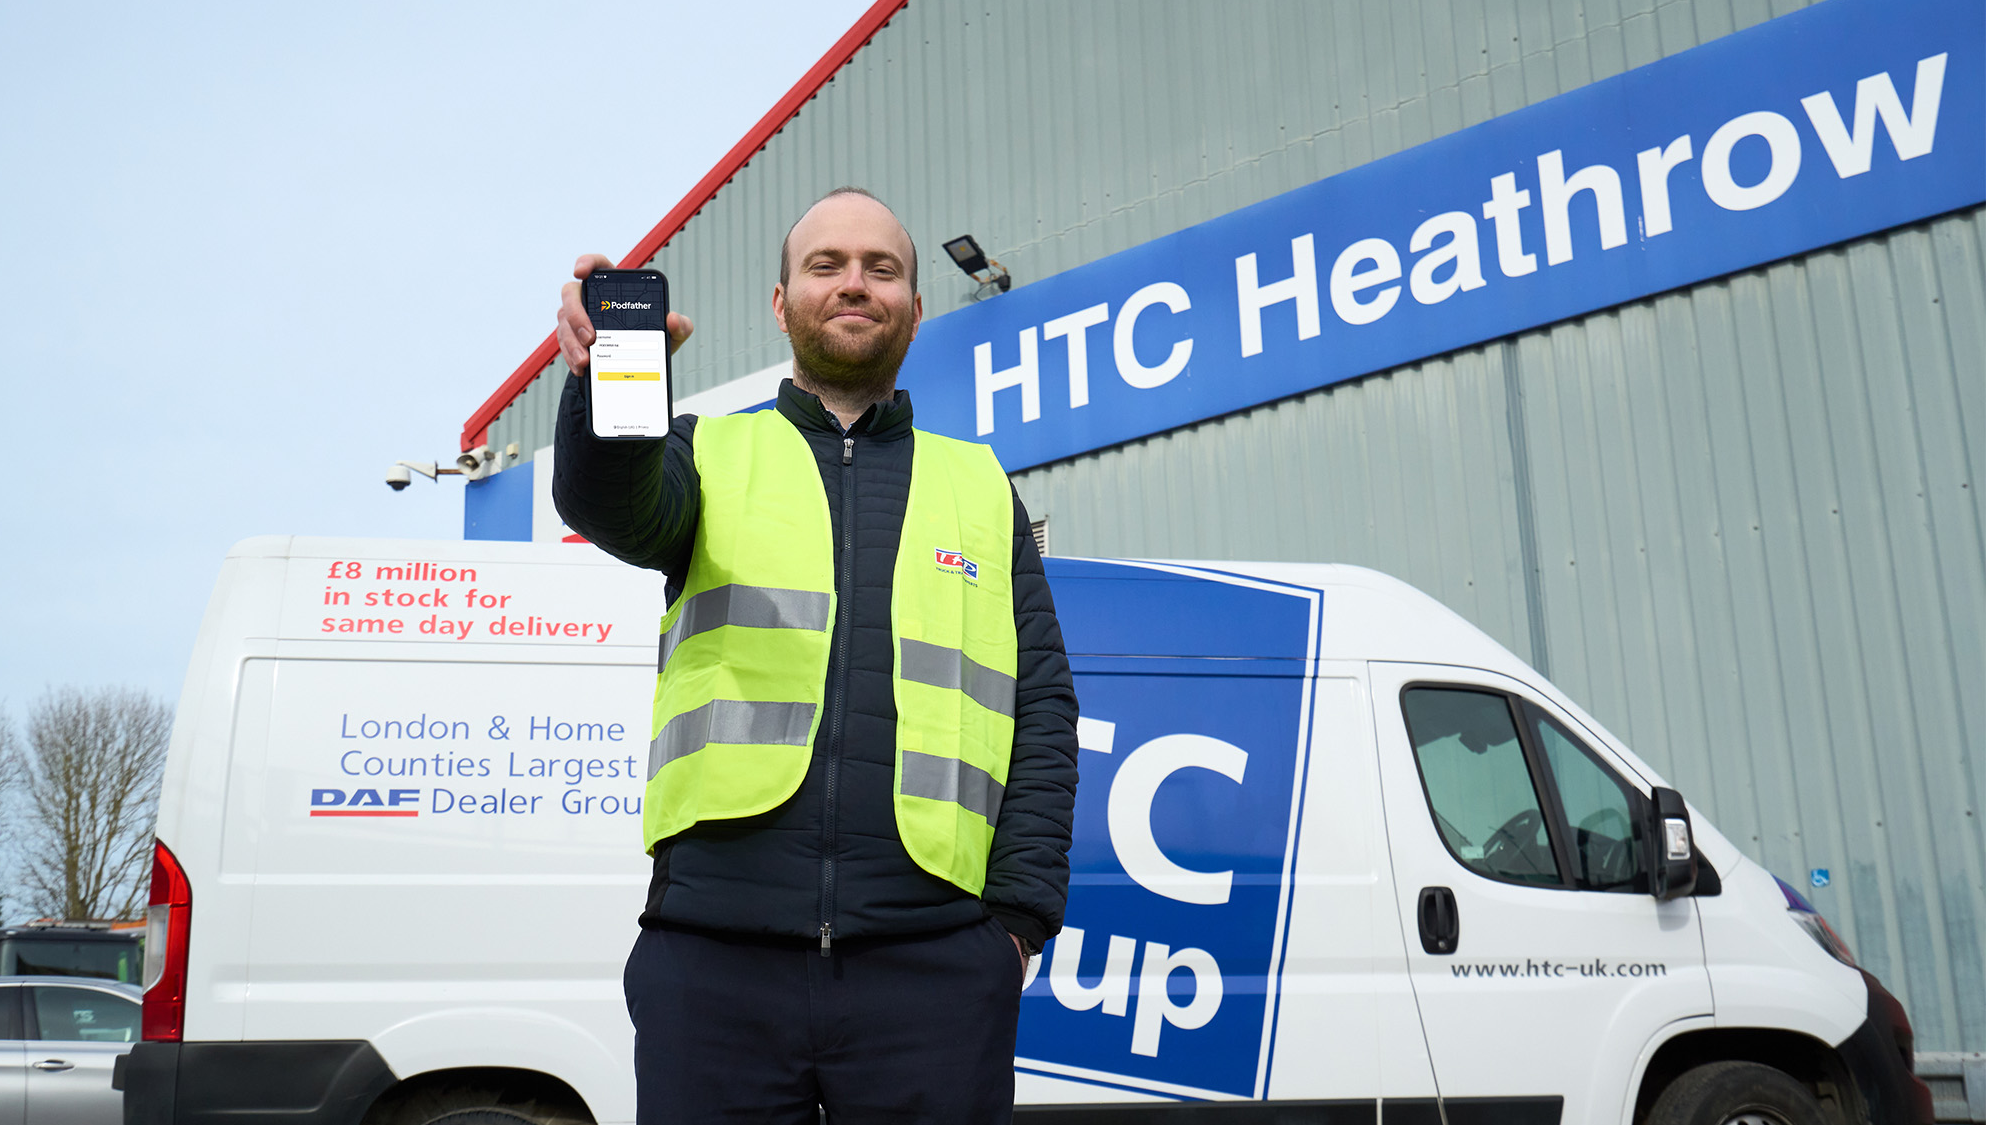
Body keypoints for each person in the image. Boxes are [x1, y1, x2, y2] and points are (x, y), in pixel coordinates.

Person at [550, 186, 1081, 1125]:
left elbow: (1041, 705)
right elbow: (610, 506)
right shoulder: (704, 452)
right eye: (826, 265)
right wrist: (603, 392)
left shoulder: (978, 483)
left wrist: (1015, 927)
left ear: (915, 310)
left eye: (883, 269)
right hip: (713, 961)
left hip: (935, 970)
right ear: (781, 301)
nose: (855, 284)